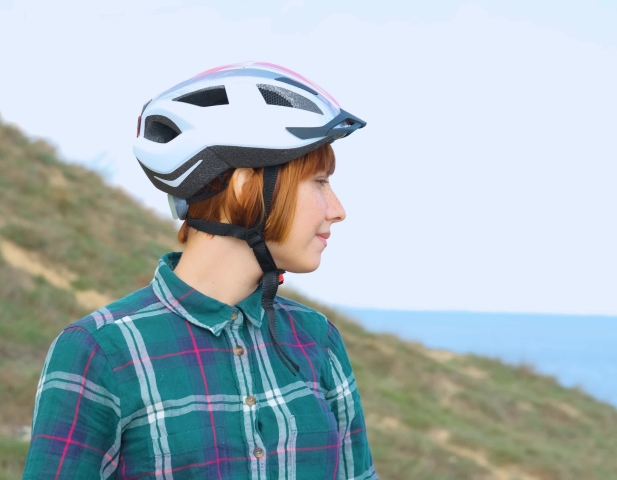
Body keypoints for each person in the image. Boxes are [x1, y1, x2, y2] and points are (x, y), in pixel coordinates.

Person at [23, 62, 376, 479]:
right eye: (319, 181)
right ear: (245, 187)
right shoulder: (100, 351)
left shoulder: (318, 340)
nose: (337, 210)